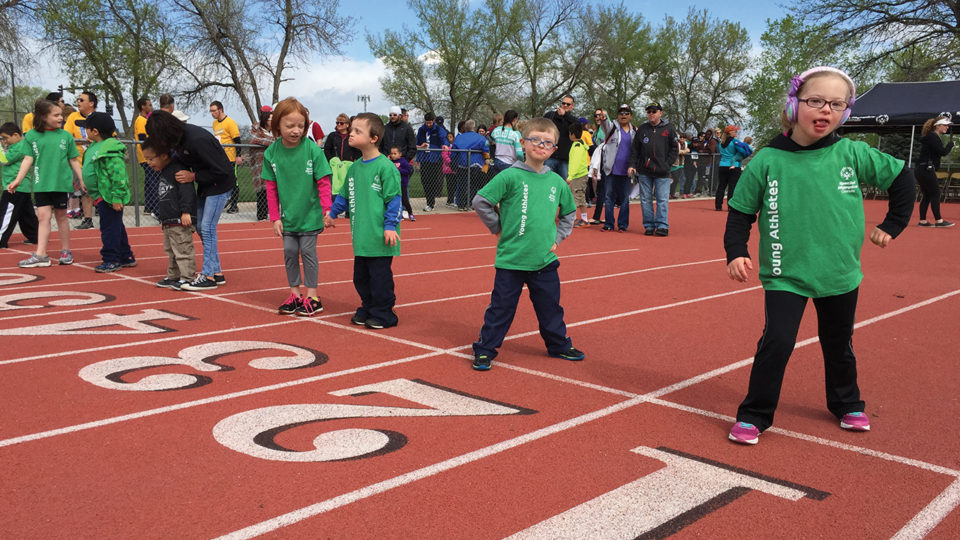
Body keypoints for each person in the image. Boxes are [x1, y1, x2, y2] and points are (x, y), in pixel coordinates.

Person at [724, 66, 915, 445]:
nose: (825, 110)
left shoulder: (852, 153)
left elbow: (902, 179)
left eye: (836, 104)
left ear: (845, 112)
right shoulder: (767, 160)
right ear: (795, 104)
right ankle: (755, 414)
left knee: (838, 341)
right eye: (815, 101)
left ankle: (846, 403)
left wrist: (893, 224)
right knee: (777, 341)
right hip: (785, 272)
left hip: (839, 272)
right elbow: (742, 211)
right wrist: (735, 252)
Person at [469, 117, 583, 371]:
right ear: (523, 143)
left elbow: (569, 212)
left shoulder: (556, 181)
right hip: (511, 260)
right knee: (501, 308)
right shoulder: (510, 176)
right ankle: (485, 349)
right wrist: (497, 228)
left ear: (554, 149)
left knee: (550, 307)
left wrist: (557, 238)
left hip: (544, 261)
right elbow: (481, 201)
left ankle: (558, 345)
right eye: (535, 140)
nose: (541, 146)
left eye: (548, 142)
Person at [146, 110, 237, 290]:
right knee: (201, 228)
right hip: (206, 184)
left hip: (221, 184)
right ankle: (217, 272)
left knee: (207, 228)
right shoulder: (178, 141)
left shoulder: (196, 139)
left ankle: (208, 276)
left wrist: (193, 176)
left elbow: (222, 170)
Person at [328, 112, 402, 330]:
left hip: (379, 238)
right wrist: (332, 214)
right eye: (351, 130)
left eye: (357, 131)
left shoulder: (385, 167)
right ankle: (368, 306)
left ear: (373, 138)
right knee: (360, 278)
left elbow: (394, 200)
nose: (351, 133)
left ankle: (384, 312)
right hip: (360, 236)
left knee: (380, 279)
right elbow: (344, 195)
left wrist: (390, 226)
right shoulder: (355, 168)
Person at [262, 97, 333, 317]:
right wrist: (275, 218)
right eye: (290, 126)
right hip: (288, 216)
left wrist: (327, 209)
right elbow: (271, 189)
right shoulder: (271, 153)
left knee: (308, 252)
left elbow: (323, 182)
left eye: (301, 126)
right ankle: (295, 294)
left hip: (310, 215)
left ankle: (312, 296)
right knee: (290, 252)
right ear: (277, 126)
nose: (296, 130)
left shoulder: (312, 150)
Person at [9, 99, 83, 267]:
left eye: (61, 115)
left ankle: (66, 250)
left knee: (61, 216)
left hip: (61, 183)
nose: (60, 118)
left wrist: (82, 179)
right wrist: (18, 180)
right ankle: (41, 254)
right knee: (43, 217)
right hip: (41, 183)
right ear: (43, 117)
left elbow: (73, 160)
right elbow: (28, 159)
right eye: (56, 115)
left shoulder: (65, 136)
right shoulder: (32, 136)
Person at [79, 113, 136, 273]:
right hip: (99, 195)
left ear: (95, 131)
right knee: (116, 226)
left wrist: (117, 196)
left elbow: (118, 175)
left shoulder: (109, 147)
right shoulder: (94, 146)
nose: (85, 131)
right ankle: (126, 256)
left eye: (86, 128)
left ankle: (111, 259)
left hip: (109, 196)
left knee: (109, 228)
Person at [141, 138, 197, 290]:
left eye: (151, 159)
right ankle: (174, 276)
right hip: (168, 220)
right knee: (171, 251)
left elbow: (187, 192)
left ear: (164, 156)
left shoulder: (178, 170)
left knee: (182, 249)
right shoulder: (164, 172)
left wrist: (186, 212)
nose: (148, 162)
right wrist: (163, 218)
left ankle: (187, 277)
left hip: (180, 219)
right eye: (146, 159)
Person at [628, 102, 678, 237]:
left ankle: (662, 225)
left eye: (654, 111)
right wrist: (632, 165)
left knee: (662, 199)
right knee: (645, 199)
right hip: (645, 171)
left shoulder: (669, 128)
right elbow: (635, 149)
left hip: (663, 171)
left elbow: (674, 148)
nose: (651, 114)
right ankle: (649, 225)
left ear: (660, 113)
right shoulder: (643, 129)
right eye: (649, 111)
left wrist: (667, 165)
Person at [0, 123, 39, 248]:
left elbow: (5, 160)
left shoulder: (20, 147)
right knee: (26, 214)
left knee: (6, 212)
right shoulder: (18, 146)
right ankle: (35, 236)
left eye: (6, 138)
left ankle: (1, 238)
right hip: (23, 187)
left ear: (16, 135)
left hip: (14, 186)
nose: (5, 141)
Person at [599, 105, 637, 232]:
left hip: (627, 171)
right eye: (621, 113)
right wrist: (603, 119)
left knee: (625, 199)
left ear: (630, 115)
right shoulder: (612, 127)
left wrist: (635, 167)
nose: (623, 115)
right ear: (617, 115)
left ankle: (622, 225)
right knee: (609, 197)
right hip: (611, 170)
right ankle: (609, 223)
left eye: (626, 113)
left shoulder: (634, 131)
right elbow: (605, 125)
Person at [64, 91, 97, 229]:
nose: (78, 102)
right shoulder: (73, 117)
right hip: (80, 161)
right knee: (85, 191)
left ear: (91, 103)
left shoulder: (99, 118)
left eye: (82, 100)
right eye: (78, 100)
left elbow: (110, 136)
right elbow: (66, 136)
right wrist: (83, 141)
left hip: (97, 160)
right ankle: (88, 219)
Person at [916, 117, 954, 228]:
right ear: (938, 126)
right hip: (926, 169)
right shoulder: (933, 137)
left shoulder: (931, 137)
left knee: (927, 195)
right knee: (935, 193)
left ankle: (923, 221)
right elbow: (942, 152)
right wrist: (950, 145)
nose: (947, 127)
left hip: (921, 169)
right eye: (945, 125)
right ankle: (939, 221)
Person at [210, 101, 242, 213]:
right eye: (211, 111)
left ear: (220, 110)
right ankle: (224, 201)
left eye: (214, 110)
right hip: (220, 158)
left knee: (233, 181)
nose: (212, 113)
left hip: (231, 158)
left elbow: (237, 140)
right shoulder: (215, 123)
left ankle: (234, 205)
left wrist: (238, 155)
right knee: (222, 181)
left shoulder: (230, 122)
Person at [452, 120, 489, 210]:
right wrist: (487, 159)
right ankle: (469, 202)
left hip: (462, 164)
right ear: (474, 128)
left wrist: (453, 162)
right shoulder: (480, 138)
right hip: (476, 164)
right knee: (473, 185)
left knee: (461, 184)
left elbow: (453, 152)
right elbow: (486, 148)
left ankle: (461, 204)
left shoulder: (459, 138)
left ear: (465, 128)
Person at [134, 97, 161, 217]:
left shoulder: (146, 119)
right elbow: (142, 138)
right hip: (146, 157)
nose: (151, 107)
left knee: (150, 181)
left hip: (147, 156)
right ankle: (155, 207)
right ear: (143, 107)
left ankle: (149, 206)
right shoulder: (141, 120)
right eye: (149, 105)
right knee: (154, 181)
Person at [715, 125, 752, 211]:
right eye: (735, 131)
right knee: (732, 187)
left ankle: (718, 205)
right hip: (734, 166)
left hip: (723, 165)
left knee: (721, 186)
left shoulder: (721, 143)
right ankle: (730, 206)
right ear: (730, 133)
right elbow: (743, 151)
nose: (737, 132)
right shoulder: (735, 142)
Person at [416, 112, 448, 211]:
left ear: (433, 121)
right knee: (425, 181)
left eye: (430, 123)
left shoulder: (438, 129)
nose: (428, 125)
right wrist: (421, 146)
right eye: (427, 123)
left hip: (435, 159)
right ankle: (429, 201)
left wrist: (445, 145)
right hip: (425, 158)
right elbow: (417, 143)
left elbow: (444, 140)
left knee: (434, 180)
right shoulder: (421, 130)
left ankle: (431, 202)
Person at [249, 108, 275, 221]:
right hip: (260, 163)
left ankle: (274, 213)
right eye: (271, 118)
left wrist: (268, 141)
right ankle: (262, 215)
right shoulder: (256, 128)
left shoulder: (276, 129)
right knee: (262, 189)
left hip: (274, 163)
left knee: (274, 189)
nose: (273, 120)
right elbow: (254, 140)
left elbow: (280, 140)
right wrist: (272, 141)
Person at [544, 95, 578, 179]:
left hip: (565, 159)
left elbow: (578, 128)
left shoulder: (572, 120)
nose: (565, 105)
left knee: (564, 183)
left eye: (568, 104)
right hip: (549, 156)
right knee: (546, 180)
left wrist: (565, 115)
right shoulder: (550, 115)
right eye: (563, 103)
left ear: (572, 106)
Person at [567, 123, 590, 227]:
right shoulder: (579, 144)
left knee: (578, 197)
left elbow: (575, 163)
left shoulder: (577, 146)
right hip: (579, 175)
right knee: (576, 197)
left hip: (578, 176)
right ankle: (577, 218)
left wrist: (570, 176)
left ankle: (584, 220)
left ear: (572, 134)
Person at [490, 109, 523, 174]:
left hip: (496, 162)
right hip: (509, 164)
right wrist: (522, 162)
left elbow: (487, 144)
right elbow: (519, 154)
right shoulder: (516, 134)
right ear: (515, 119)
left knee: (498, 184)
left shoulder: (496, 130)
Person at [389, 146, 414, 221]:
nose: (393, 155)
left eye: (395, 153)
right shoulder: (390, 162)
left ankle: (411, 214)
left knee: (404, 200)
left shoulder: (403, 161)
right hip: (394, 184)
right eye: (391, 153)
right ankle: (397, 215)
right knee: (395, 200)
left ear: (400, 154)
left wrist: (398, 169)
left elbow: (408, 171)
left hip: (402, 184)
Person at [442, 131, 456, 207]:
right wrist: (450, 162)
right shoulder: (445, 146)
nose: (449, 139)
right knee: (449, 185)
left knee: (454, 185)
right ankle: (449, 200)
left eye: (451, 137)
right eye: (448, 137)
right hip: (448, 169)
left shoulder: (455, 146)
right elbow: (445, 155)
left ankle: (452, 200)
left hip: (454, 170)